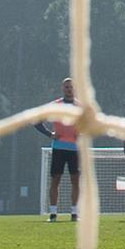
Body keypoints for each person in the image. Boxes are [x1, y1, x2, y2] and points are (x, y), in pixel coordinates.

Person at [33, 77, 82, 222]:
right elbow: (37, 121)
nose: (69, 89)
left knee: (75, 180)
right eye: (66, 87)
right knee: (55, 180)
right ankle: (53, 214)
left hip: (75, 149)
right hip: (59, 148)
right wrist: (50, 134)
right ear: (62, 88)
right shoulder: (55, 105)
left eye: (71, 87)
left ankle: (74, 213)